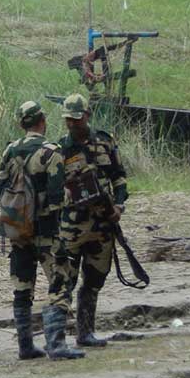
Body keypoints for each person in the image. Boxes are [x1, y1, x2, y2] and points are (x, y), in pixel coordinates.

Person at [0, 101, 84, 360]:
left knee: (22, 286)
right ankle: (56, 345)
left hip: (18, 228)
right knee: (59, 282)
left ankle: (25, 346)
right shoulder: (51, 150)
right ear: (42, 120)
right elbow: (58, 196)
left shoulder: (10, 150)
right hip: (46, 230)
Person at [57, 93, 128, 347]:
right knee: (64, 280)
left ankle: (85, 333)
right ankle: (56, 339)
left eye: (76, 119)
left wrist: (119, 205)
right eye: (68, 120)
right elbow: (52, 188)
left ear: (87, 115)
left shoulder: (105, 142)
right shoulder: (60, 148)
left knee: (95, 279)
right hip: (71, 226)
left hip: (102, 224)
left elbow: (119, 177)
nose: (72, 124)